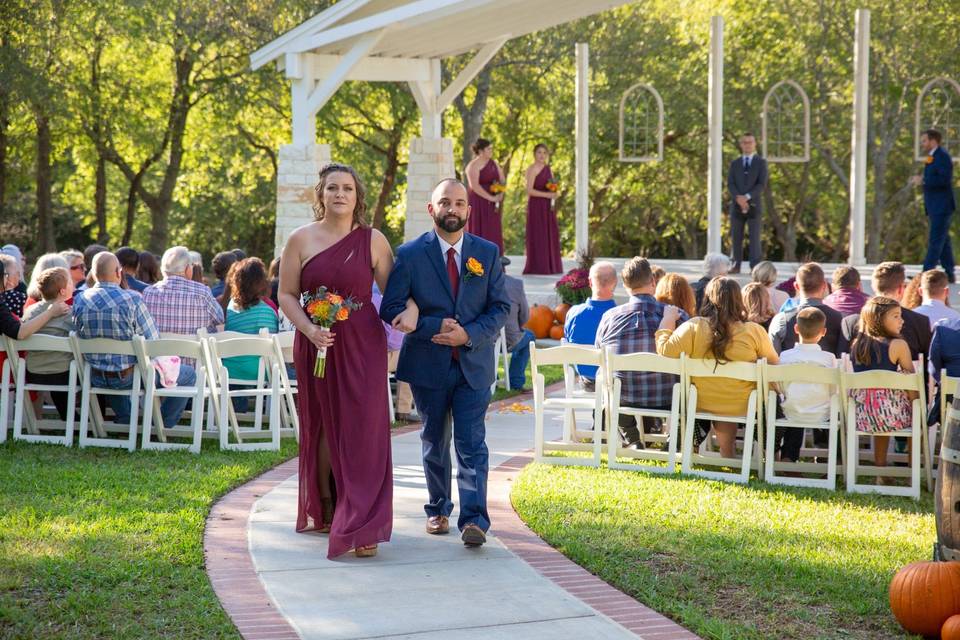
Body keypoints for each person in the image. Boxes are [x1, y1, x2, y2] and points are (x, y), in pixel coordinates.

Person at [279, 163, 404, 559]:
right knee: (323, 427)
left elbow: (395, 295)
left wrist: (415, 317)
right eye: (332, 188)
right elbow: (286, 294)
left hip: (362, 346)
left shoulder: (374, 241)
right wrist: (310, 329)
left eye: (347, 188)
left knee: (364, 427)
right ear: (321, 194)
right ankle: (332, 507)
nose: (340, 194)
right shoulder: (299, 239)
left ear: (357, 196)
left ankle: (365, 522)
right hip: (316, 343)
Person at [381, 177, 510, 549]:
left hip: (473, 363)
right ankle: (437, 508)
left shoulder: (486, 253)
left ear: (469, 210)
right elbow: (391, 308)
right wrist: (435, 326)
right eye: (445, 202)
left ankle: (474, 520)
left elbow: (500, 307)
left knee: (472, 443)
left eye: (459, 203)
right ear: (431, 209)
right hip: (427, 364)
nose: (452, 208)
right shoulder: (409, 254)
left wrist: (467, 334)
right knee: (434, 439)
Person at [657, 277, 778, 458]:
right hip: (743, 405)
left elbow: (665, 351)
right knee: (736, 395)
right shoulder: (754, 331)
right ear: (739, 300)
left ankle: (717, 452)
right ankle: (736, 454)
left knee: (716, 396)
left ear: (708, 298)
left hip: (700, 403)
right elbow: (773, 365)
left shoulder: (694, 326)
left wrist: (667, 321)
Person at [73, 252, 196, 427]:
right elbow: (153, 342)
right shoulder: (132, 299)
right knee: (190, 374)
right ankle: (161, 424)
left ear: (93, 274)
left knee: (114, 363)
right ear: (118, 272)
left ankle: (126, 419)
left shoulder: (79, 300)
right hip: (129, 378)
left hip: (94, 375)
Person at [596, 257, 688, 447]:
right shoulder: (676, 315)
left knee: (609, 381)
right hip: (669, 397)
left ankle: (632, 439)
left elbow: (599, 353)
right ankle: (674, 441)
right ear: (653, 282)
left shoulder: (609, 318)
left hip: (623, 397)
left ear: (625, 285)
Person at [849, 297, 916, 475]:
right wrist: (916, 402)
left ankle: (880, 470)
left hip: (861, 415)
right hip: (891, 416)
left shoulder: (857, 344)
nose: (901, 320)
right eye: (895, 316)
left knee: (880, 404)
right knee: (916, 409)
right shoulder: (899, 345)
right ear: (878, 319)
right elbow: (912, 380)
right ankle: (912, 468)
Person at [775, 307, 837, 463]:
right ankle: (833, 461)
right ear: (823, 332)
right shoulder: (829, 359)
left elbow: (780, 386)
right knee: (833, 412)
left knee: (796, 410)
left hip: (791, 411)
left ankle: (788, 458)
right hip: (823, 414)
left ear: (796, 329)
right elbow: (834, 389)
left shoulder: (785, 356)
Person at [839, 262, 932, 363]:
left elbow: (841, 363)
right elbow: (926, 369)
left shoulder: (850, 322)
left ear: (873, 286)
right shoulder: (920, 322)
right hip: (904, 377)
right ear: (901, 288)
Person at [222, 257, 279, 410]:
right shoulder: (267, 312)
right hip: (256, 371)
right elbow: (272, 351)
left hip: (228, 369)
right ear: (261, 282)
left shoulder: (230, 308)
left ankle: (236, 409)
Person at [22, 268, 76, 420]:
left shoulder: (30, 312)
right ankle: (82, 419)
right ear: (63, 291)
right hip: (64, 374)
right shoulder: (70, 314)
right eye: (71, 282)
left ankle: (70, 416)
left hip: (34, 373)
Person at [142, 246, 223, 338]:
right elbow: (220, 319)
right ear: (187, 269)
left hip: (158, 351)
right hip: (194, 351)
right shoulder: (203, 293)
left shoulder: (148, 293)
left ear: (162, 269)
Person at [563, 261, 618, 390]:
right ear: (615, 282)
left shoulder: (573, 313)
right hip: (612, 382)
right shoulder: (621, 316)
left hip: (587, 381)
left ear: (590, 282)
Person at [768, 263, 844, 356]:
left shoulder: (782, 319)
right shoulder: (838, 318)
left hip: (789, 369)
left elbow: (772, 359)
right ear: (824, 286)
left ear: (796, 286)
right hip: (827, 368)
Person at [911, 129, 956, 281]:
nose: (922, 144)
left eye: (924, 141)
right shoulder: (933, 156)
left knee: (935, 241)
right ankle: (949, 273)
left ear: (933, 140)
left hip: (941, 206)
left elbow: (944, 180)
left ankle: (925, 274)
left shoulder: (942, 156)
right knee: (944, 242)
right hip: (934, 206)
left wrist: (923, 181)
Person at [372, 285, 416, 422]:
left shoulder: (370, 299)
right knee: (410, 358)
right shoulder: (387, 303)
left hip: (369, 356)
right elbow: (392, 341)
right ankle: (403, 411)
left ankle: (404, 409)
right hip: (380, 357)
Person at [726, 133, 769, 273]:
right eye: (745, 142)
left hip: (754, 205)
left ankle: (754, 266)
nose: (747, 145)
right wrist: (738, 198)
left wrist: (747, 197)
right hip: (736, 205)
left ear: (755, 144)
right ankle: (735, 264)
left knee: (754, 236)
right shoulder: (735, 163)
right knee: (736, 236)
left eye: (750, 142)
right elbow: (730, 183)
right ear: (741, 144)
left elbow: (761, 184)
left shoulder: (761, 163)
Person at [0, 258, 69, 341]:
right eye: (5, 275)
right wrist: (50, 312)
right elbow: (19, 333)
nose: (6, 278)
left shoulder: (29, 310)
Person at [522, 143, 563, 274]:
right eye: (539, 152)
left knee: (549, 233)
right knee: (538, 233)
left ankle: (551, 265)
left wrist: (554, 193)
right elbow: (529, 190)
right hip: (536, 205)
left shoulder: (548, 169)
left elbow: (551, 185)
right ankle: (538, 266)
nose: (542, 155)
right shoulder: (531, 169)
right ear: (534, 154)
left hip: (547, 206)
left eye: (545, 153)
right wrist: (548, 194)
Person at [465, 138, 505, 254]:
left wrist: (500, 193)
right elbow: (475, 186)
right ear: (481, 151)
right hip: (478, 201)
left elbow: (502, 180)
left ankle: (496, 262)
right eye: (489, 149)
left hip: (493, 203)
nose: (491, 151)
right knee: (479, 228)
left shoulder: (494, 163)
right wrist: (491, 197)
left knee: (493, 229)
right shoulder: (473, 166)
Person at [502, 255, 534, 390]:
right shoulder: (515, 284)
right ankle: (515, 381)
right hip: (511, 340)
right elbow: (524, 316)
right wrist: (518, 326)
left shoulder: (479, 285)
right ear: (504, 269)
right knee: (529, 336)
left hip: (483, 340)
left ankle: (492, 378)